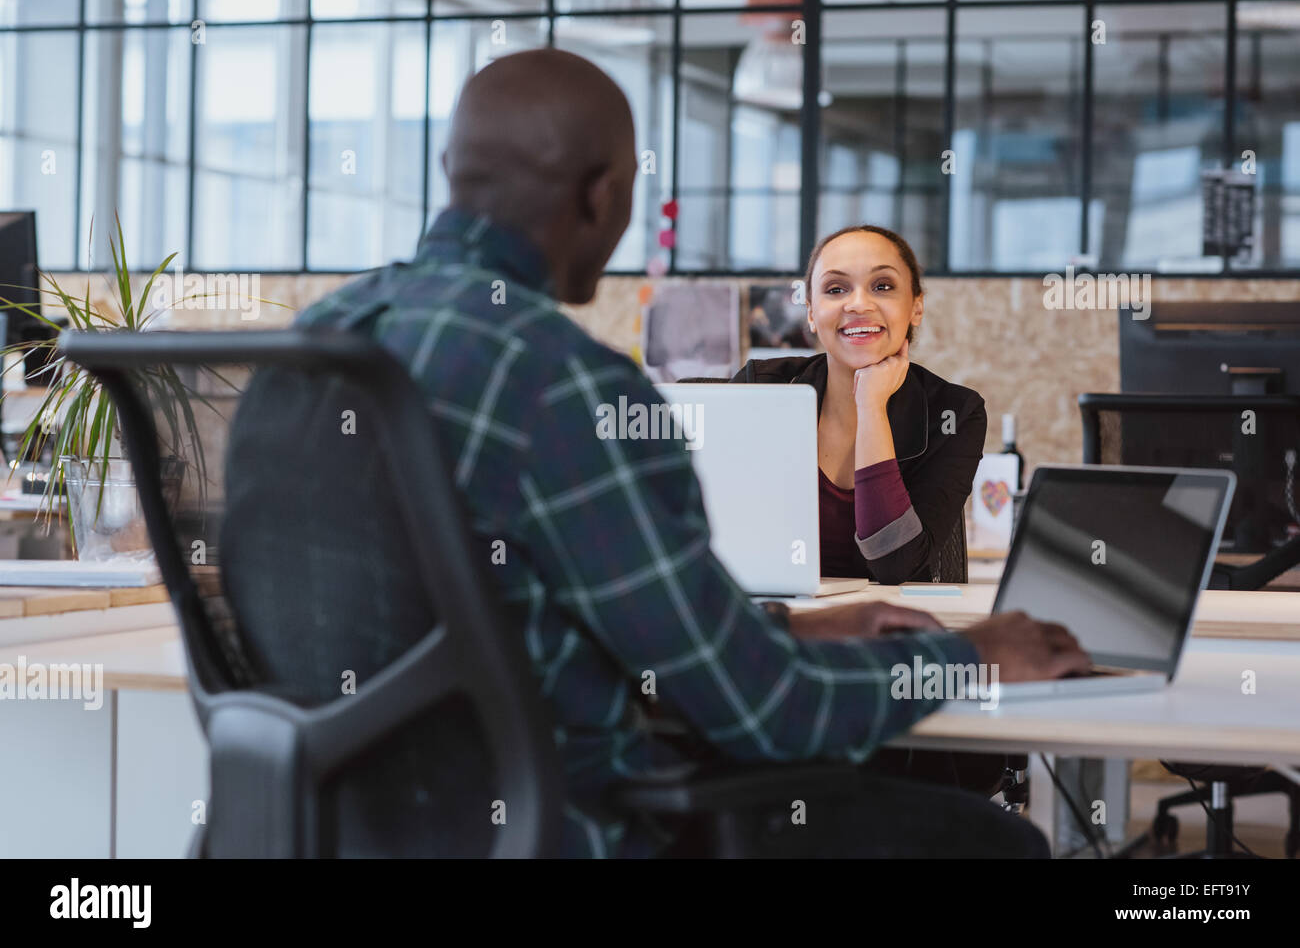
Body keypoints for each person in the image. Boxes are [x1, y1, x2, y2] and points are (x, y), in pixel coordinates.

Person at [228, 49, 1089, 857]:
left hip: (355, 818)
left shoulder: (318, 341)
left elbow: (532, 612)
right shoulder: (567, 386)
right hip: (580, 822)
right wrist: (970, 655)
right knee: (1005, 843)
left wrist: (790, 625)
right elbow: (765, 709)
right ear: (603, 197)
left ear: (451, 171)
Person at [733, 226, 983, 585]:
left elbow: (896, 566)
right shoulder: (760, 388)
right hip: (776, 619)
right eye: (836, 289)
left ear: (916, 306)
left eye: (882, 286)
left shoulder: (955, 413)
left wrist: (871, 407)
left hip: (888, 630)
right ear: (811, 313)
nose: (858, 304)